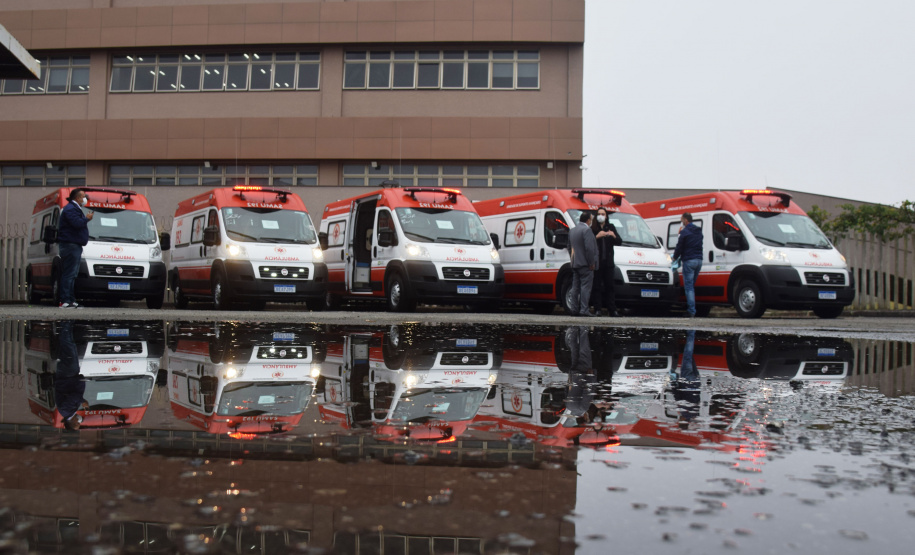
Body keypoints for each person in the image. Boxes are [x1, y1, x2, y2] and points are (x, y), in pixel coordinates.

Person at [57, 189, 93, 308]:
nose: (85, 198)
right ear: (77, 198)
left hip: (74, 245)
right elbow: (77, 223)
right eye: (83, 196)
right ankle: (65, 300)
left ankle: (70, 299)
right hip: (70, 245)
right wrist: (86, 218)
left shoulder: (73, 208)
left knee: (72, 274)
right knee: (69, 273)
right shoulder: (71, 209)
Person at [54, 320, 88, 431]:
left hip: (67, 375)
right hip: (69, 375)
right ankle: (64, 326)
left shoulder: (65, 410)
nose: (79, 421)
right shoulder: (69, 411)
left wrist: (82, 401)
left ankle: (65, 324)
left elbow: (73, 396)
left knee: (69, 347)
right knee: (68, 348)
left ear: (73, 423)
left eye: (77, 423)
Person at [591, 207, 623, 316]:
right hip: (597, 262)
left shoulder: (610, 227)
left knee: (610, 286)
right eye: (599, 214)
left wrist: (613, 235)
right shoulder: (593, 228)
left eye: (603, 214)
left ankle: (612, 309)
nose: (601, 216)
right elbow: (588, 243)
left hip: (608, 262)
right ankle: (597, 309)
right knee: (597, 286)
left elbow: (619, 241)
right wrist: (597, 236)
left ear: (606, 216)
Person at [672, 212, 703, 318]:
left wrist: (675, 257)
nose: (682, 222)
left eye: (682, 220)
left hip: (689, 261)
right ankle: (691, 308)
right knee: (691, 287)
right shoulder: (699, 231)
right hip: (699, 261)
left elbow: (679, 246)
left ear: (686, 220)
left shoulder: (685, 232)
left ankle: (691, 311)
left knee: (689, 288)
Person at [568, 211, 599, 316]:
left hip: (575, 263)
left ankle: (574, 309)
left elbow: (569, 247)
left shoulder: (572, 231)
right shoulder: (587, 230)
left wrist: (573, 260)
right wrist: (591, 262)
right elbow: (589, 248)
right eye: (591, 219)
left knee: (575, 287)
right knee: (585, 287)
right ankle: (584, 310)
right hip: (586, 265)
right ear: (588, 220)